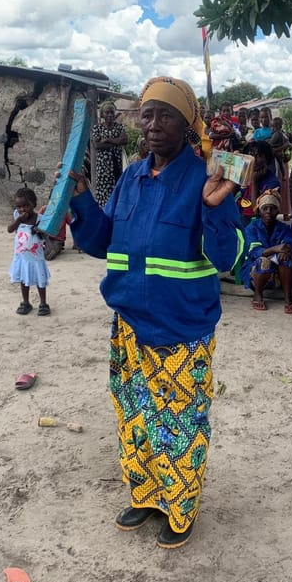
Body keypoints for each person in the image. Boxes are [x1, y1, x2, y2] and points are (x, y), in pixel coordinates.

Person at [68, 76, 242, 549]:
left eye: (166, 115)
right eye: (147, 114)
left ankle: (180, 507)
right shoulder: (131, 176)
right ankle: (146, 494)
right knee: (135, 417)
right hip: (128, 326)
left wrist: (214, 210)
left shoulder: (208, 177)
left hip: (181, 329)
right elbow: (103, 241)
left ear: (187, 123)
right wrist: (81, 199)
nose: (153, 124)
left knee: (180, 423)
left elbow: (230, 257)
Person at [240, 189, 292, 313]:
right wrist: (276, 249)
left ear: (278, 210)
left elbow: (290, 242)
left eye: (273, 208)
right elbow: (254, 252)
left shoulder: (283, 228)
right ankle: (257, 294)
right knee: (263, 261)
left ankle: (288, 298)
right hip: (255, 271)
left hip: (277, 273)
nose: (269, 212)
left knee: (286, 258)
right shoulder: (252, 228)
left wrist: (285, 249)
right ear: (259, 211)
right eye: (265, 208)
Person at [8, 188, 51, 316]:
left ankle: (43, 303)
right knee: (23, 279)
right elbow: (10, 229)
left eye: (26, 205)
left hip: (36, 257)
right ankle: (26, 302)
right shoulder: (17, 216)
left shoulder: (40, 218)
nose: (22, 209)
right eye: (19, 206)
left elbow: (46, 236)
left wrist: (40, 231)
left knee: (40, 280)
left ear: (34, 204)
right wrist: (19, 220)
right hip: (21, 257)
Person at [91, 102, 128, 207]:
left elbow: (125, 140)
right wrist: (116, 142)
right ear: (102, 114)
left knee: (117, 188)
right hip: (103, 167)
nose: (110, 115)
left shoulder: (119, 127)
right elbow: (97, 145)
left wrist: (107, 140)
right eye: (107, 112)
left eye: (112, 112)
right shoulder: (97, 128)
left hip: (116, 164)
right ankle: (104, 212)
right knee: (104, 191)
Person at [236, 142, 280, 227]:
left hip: (257, 223)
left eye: (258, 156)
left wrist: (255, 183)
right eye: (251, 155)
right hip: (240, 216)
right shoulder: (246, 173)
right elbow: (231, 194)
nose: (254, 159)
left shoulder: (272, 182)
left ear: (267, 159)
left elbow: (256, 210)